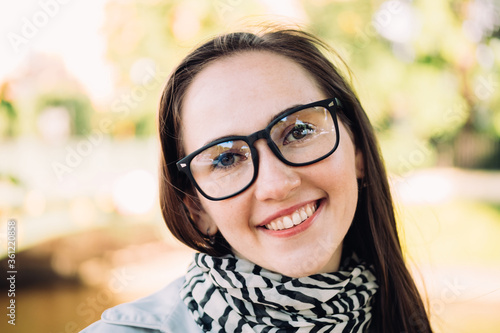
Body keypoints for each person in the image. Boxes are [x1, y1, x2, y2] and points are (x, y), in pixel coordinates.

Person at [82, 27, 433, 332]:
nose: (276, 185)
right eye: (225, 159)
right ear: (196, 208)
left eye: (299, 131)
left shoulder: (396, 314)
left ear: (357, 151)